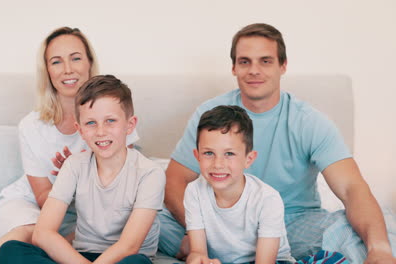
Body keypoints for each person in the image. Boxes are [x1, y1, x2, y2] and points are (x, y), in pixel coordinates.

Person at [159, 23, 396, 263]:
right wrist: (201, 230)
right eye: (244, 61)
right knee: (148, 218)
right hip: (217, 219)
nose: (254, 70)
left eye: (265, 61)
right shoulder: (210, 114)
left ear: (283, 66)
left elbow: (350, 188)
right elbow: (175, 180)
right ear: (233, 68)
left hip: (293, 222)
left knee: (381, 225)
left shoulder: (308, 121)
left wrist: (379, 248)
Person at [0, 27, 139, 264]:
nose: (68, 69)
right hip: (36, 205)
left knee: (97, 237)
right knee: (32, 236)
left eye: (76, 58)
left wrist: (83, 171)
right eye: (56, 62)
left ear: (89, 63)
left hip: (90, 212)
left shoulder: (114, 116)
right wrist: (72, 175)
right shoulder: (31, 125)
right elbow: (44, 198)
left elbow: (123, 187)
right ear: (47, 71)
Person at [0, 74, 165, 264]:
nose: (101, 131)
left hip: (123, 259)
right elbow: (43, 233)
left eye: (110, 121)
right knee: (11, 250)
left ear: (130, 125)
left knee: (136, 263)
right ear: (80, 130)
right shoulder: (74, 165)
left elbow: (129, 246)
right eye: (91, 123)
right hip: (79, 257)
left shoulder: (150, 173)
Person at [185, 105, 295, 264]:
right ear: (197, 156)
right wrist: (198, 260)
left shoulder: (267, 199)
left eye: (229, 154)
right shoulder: (194, 191)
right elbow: (197, 252)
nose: (218, 164)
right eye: (208, 153)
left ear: (248, 159)